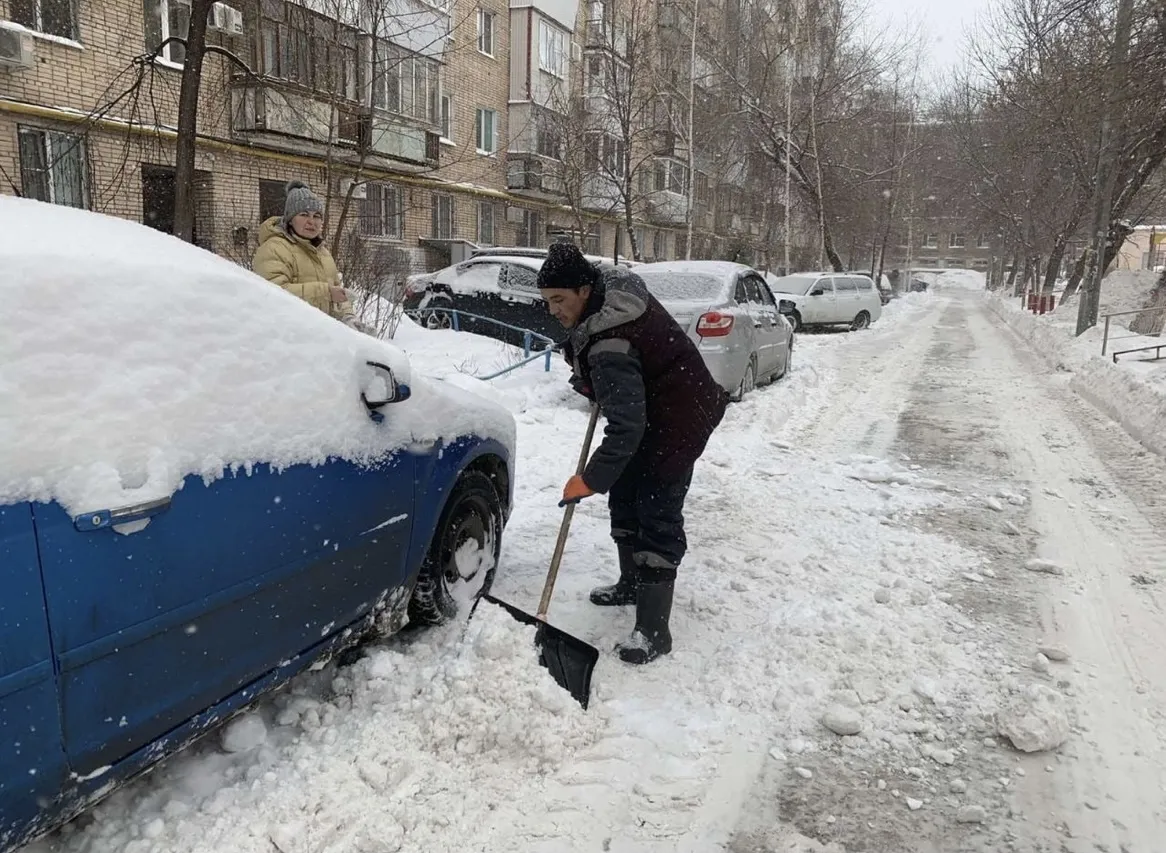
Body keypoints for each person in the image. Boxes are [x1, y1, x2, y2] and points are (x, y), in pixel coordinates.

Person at [537, 242, 729, 665]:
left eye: (559, 300)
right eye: (547, 301)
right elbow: (619, 377)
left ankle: (654, 632)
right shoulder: (607, 297)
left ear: (584, 290)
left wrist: (589, 479)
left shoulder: (611, 338)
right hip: (655, 406)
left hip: (678, 419)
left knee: (656, 511)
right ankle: (630, 584)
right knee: (625, 494)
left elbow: (627, 425)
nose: (552, 310)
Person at [252, 180, 363, 330]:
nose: (312, 222)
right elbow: (272, 295)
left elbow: (338, 294)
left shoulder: (322, 253)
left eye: (317, 216)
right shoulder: (274, 248)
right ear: (290, 220)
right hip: (290, 338)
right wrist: (326, 292)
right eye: (304, 214)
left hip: (323, 337)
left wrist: (348, 318)